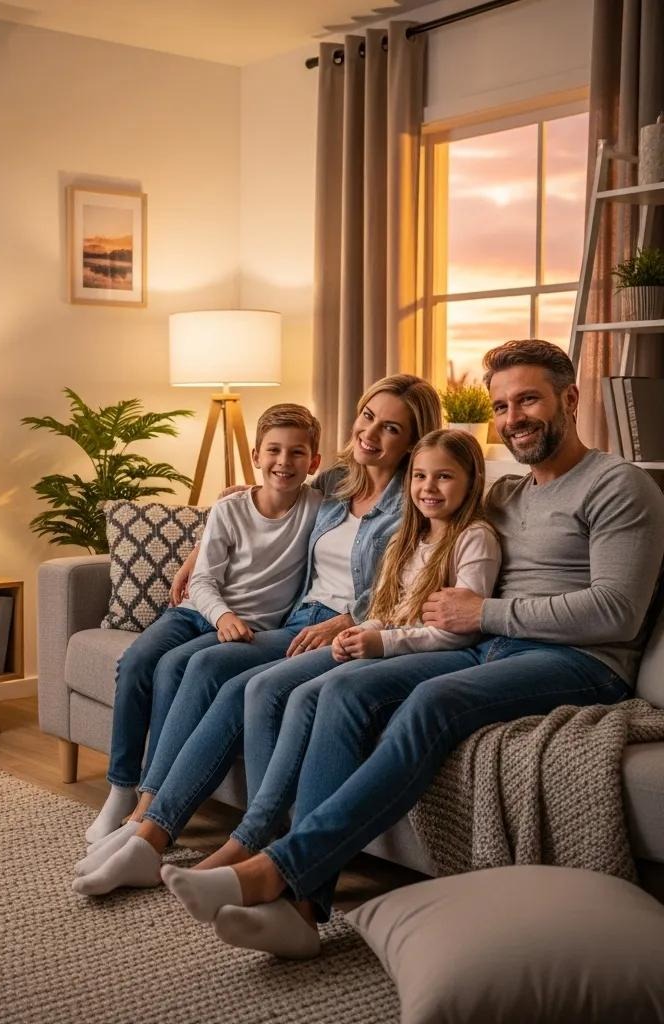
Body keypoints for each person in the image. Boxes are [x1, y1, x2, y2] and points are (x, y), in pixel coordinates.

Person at [159, 339, 664, 960]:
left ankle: (274, 871)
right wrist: (249, 499)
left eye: (528, 399)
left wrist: (487, 611)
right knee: (343, 688)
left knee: (430, 701)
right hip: (489, 648)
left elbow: (618, 610)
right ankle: (302, 909)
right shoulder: (505, 494)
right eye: (502, 406)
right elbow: (426, 503)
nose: (514, 418)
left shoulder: (621, 487)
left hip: (581, 664)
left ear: (570, 398)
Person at [77, 428, 498, 897]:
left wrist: (356, 629)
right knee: (188, 667)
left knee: (247, 686)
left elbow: (442, 615)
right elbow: (384, 596)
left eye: (393, 428)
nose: (372, 434)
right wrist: (211, 533)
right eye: (368, 417)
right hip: (314, 620)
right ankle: (146, 825)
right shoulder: (341, 487)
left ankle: (231, 842)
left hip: (346, 628)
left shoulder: (414, 515)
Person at [84, 404, 325, 843]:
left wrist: (235, 622)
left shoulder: (318, 510)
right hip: (199, 612)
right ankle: (121, 787)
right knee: (138, 660)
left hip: (250, 628)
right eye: (273, 450)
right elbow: (205, 580)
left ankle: (150, 800)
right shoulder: (232, 509)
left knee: (175, 669)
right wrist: (223, 615)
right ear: (256, 455)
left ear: (314, 462)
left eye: (296, 453)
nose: (284, 462)